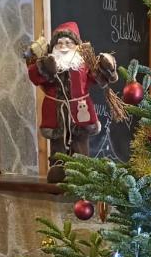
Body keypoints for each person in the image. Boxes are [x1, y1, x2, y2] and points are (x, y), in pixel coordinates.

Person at [27, 22, 117, 182]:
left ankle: (81, 169)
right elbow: (35, 76)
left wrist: (107, 66)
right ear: (53, 47)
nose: (63, 46)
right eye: (59, 43)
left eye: (68, 43)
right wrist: (44, 66)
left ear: (77, 46)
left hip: (80, 110)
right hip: (55, 111)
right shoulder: (49, 64)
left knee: (80, 141)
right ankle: (58, 167)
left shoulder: (83, 65)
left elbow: (100, 78)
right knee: (57, 142)